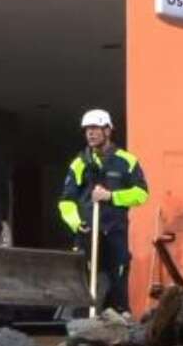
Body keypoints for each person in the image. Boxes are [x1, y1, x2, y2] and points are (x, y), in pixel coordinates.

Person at [56, 109, 148, 315]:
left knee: (118, 277)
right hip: (88, 233)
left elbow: (141, 194)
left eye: (96, 128)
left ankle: (121, 318)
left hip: (115, 231)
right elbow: (66, 202)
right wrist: (76, 223)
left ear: (108, 130)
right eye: (87, 129)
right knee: (85, 281)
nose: (91, 133)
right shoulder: (80, 163)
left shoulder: (126, 161)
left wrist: (111, 196)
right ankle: (83, 327)